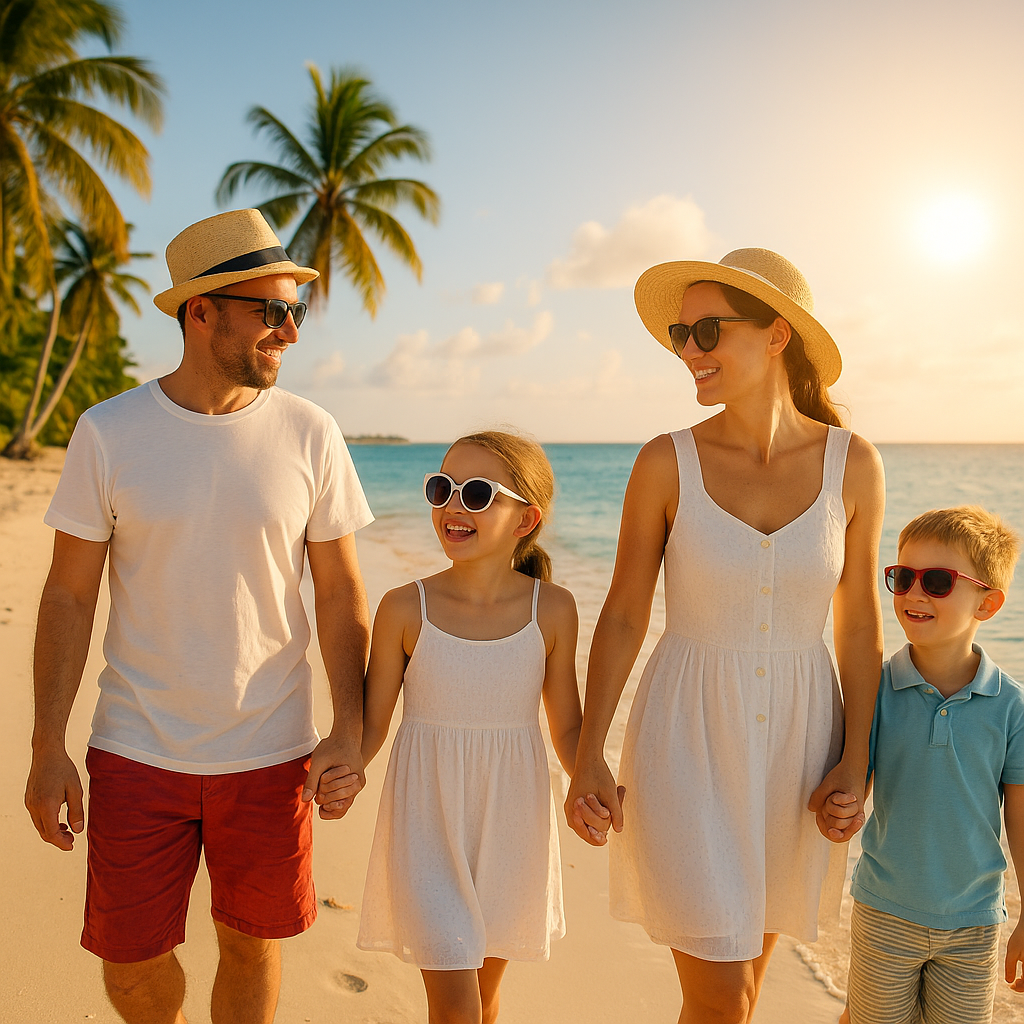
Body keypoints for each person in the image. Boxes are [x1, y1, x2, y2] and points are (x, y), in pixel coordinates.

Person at [23, 208, 375, 1024]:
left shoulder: (311, 433)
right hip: (136, 748)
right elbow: (69, 594)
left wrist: (349, 728)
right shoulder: (108, 432)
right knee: (130, 964)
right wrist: (48, 746)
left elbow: (339, 592)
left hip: (271, 750)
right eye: (272, 310)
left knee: (253, 945)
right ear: (202, 310)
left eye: (297, 312)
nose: (289, 331)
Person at [564, 248, 886, 1024]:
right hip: (686, 738)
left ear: (778, 336)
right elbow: (623, 615)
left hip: (803, 750)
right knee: (719, 998)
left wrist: (858, 757)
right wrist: (586, 754)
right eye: (681, 333)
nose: (689, 352)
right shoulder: (664, 462)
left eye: (707, 330)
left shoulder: (854, 463)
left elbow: (861, 623)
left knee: (735, 1001)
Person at [320, 431, 597, 1024]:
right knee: (455, 1006)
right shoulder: (403, 607)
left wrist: (593, 781)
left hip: (514, 824)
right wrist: (343, 767)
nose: (452, 507)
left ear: (526, 519)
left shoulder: (553, 609)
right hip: (427, 821)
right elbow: (369, 730)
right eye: (442, 489)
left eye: (476, 494)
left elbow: (568, 729)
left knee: (483, 1000)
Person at [839, 506, 1023, 1024]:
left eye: (938, 581)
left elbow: (1019, 819)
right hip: (884, 911)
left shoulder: (1012, 706)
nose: (914, 594)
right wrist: (838, 806)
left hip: (974, 921)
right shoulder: (872, 690)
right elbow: (852, 781)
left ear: (987, 604)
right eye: (903, 578)